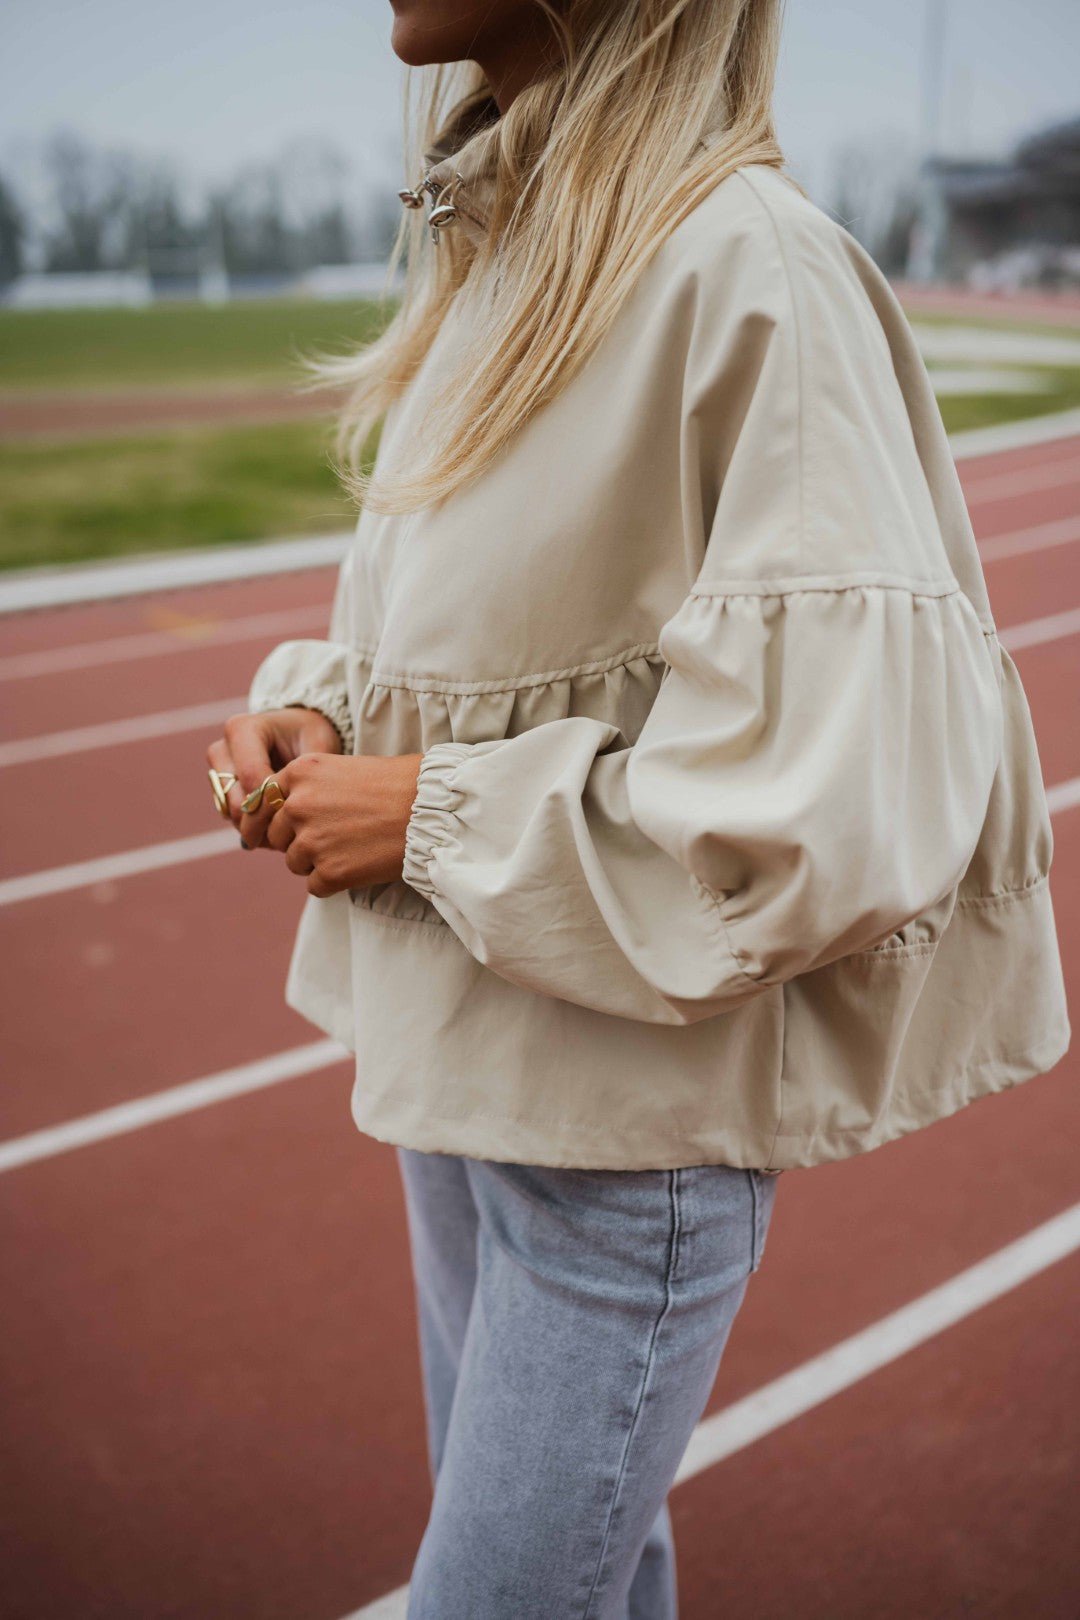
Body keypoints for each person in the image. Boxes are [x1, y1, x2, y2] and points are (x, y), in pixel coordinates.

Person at [206, 2, 1070, 1614]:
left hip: (623, 1142)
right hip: (471, 1080)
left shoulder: (756, 270)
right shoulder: (508, 247)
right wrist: (324, 708)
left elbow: (823, 799)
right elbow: (497, 629)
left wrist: (428, 815)